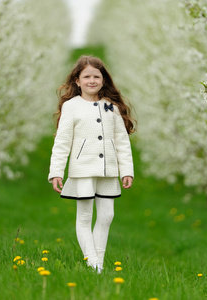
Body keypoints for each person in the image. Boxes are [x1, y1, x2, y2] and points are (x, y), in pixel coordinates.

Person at [48, 55, 135, 273]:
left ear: (103, 80)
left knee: (107, 216)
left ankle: (98, 263)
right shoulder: (71, 107)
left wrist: (127, 170)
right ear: (77, 80)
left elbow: (122, 142)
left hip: (108, 171)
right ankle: (94, 264)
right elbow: (62, 142)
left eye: (97, 76)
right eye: (86, 76)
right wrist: (56, 171)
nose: (92, 80)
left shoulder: (111, 107)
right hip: (82, 170)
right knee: (85, 217)